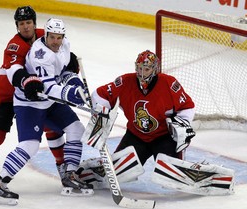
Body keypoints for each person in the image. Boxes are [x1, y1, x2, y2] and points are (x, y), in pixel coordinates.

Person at [0, 6, 77, 188]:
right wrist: (27, 81)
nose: (26, 27)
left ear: (35, 23)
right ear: (17, 26)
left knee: (53, 128)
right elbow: (16, 71)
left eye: (28, 23)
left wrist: (70, 64)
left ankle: (62, 167)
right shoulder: (14, 46)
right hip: (7, 96)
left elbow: (62, 52)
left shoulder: (45, 35)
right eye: (21, 24)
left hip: (33, 98)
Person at [0, 17, 93, 205]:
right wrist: (70, 94)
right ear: (46, 34)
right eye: (52, 37)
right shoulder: (40, 54)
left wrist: (75, 84)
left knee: (76, 128)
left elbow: (64, 72)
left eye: (59, 37)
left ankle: (69, 174)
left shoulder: (64, 45)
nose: (56, 41)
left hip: (49, 102)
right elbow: (49, 88)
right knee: (30, 145)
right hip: (30, 103)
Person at [78, 50, 196, 186]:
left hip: (164, 138)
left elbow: (187, 106)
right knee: (118, 172)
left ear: (154, 69)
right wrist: (101, 113)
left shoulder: (168, 83)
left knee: (172, 176)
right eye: (139, 68)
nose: (142, 73)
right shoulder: (125, 82)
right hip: (136, 136)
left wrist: (182, 125)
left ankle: (192, 171)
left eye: (146, 69)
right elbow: (99, 95)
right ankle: (92, 167)